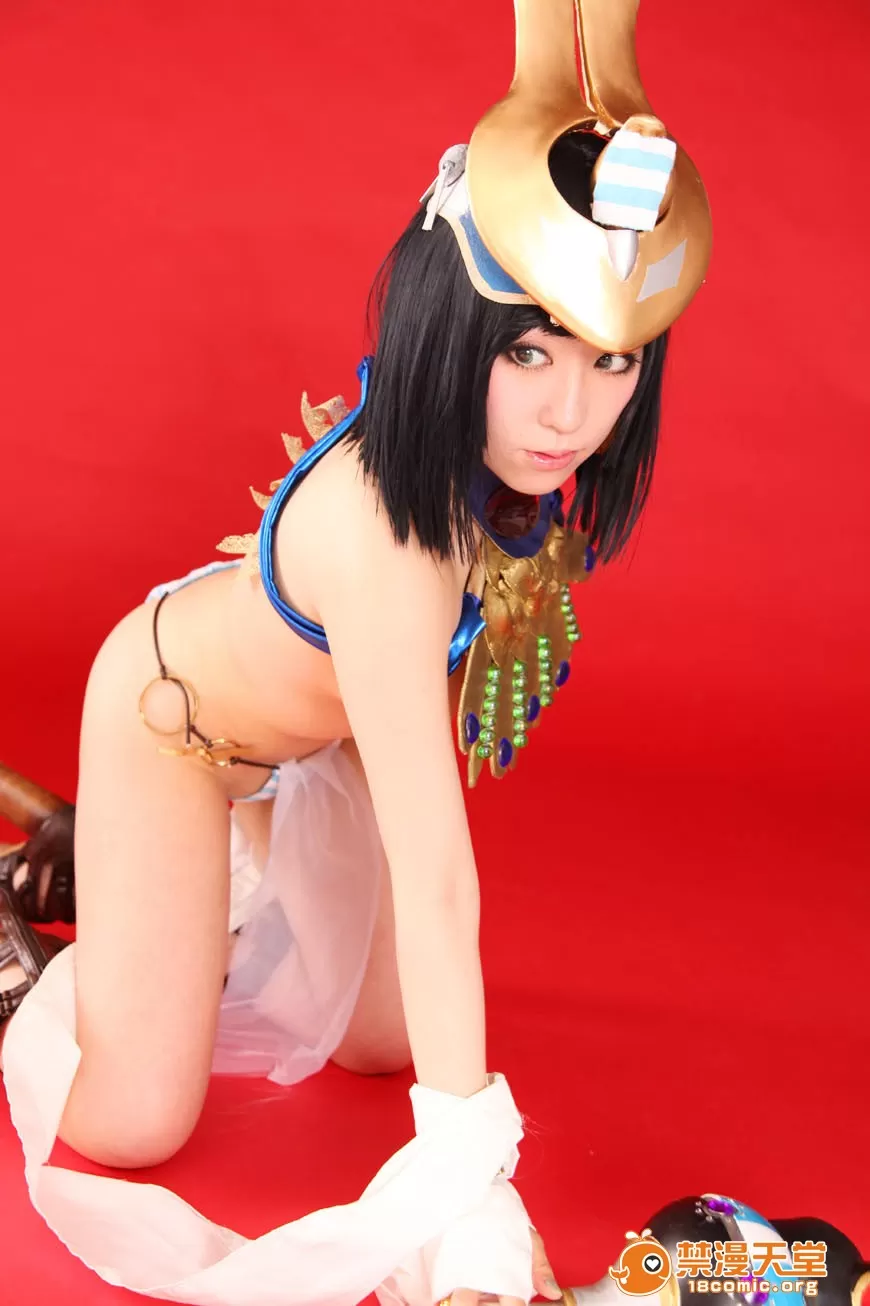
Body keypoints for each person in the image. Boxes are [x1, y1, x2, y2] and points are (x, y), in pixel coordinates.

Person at [0, 1, 711, 1304]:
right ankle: (36, 930)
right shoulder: (387, 539)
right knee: (130, 1122)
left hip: (321, 741)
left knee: (379, 1040)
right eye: (530, 351)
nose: (571, 411)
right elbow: (438, 875)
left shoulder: (500, 470)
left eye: (612, 362)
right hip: (177, 727)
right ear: (451, 321)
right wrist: (468, 1176)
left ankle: (157, 878)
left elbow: (423, 722)